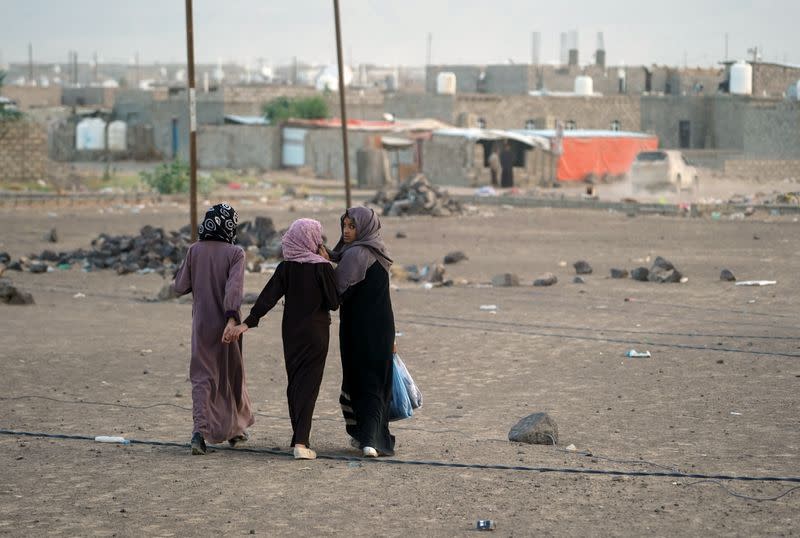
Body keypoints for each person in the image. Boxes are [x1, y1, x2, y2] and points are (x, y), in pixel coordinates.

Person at [223, 218, 338, 460]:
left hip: (292, 333)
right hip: (316, 333)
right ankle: (301, 442)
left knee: (295, 383)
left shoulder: (286, 268)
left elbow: (267, 298)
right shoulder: (322, 267)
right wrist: (328, 264)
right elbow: (334, 302)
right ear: (312, 239)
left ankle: (298, 435)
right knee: (309, 385)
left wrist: (247, 323)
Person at [174, 203, 254, 456]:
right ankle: (236, 429)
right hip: (226, 326)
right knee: (231, 375)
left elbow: (179, 286)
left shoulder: (194, 250)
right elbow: (234, 289)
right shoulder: (235, 253)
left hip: (201, 325)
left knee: (202, 377)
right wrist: (232, 320)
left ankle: (201, 432)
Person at [329, 206, 396, 458]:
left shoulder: (356, 255)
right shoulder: (378, 250)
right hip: (382, 328)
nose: (346, 231)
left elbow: (336, 292)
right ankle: (374, 437)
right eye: (344, 226)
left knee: (360, 381)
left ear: (363, 227)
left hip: (358, 330)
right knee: (377, 382)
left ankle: (367, 439)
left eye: (352, 226)